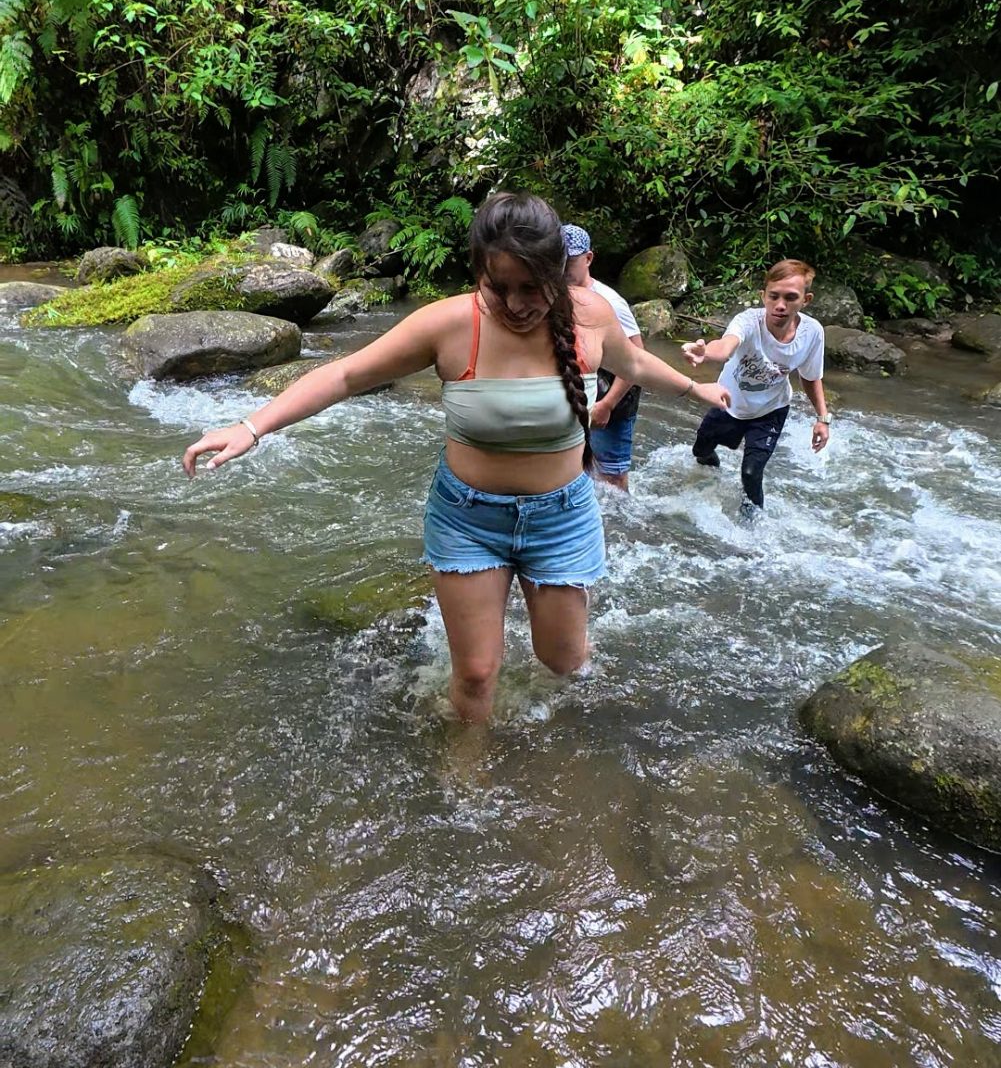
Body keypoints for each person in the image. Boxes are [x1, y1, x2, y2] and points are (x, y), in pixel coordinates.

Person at [182, 193, 730, 723]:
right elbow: (345, 374)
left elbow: (632, 363)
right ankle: (466, 772)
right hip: (469, 519)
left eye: (532, 288)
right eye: (500, 288)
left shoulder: (590, 315)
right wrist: (252, 427)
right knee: (475, 673)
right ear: (478, 275)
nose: (516, 305)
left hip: (562, 516)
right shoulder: (448, 324)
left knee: (564, 661)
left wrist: (692, 389)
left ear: (558, 272)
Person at [681, 258, 831, 516]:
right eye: (774, 296)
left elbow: (810, 376)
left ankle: (752, 527)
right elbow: (726, 345)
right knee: (701, 451)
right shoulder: (749, 321)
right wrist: (705, 353)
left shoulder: (812, 332)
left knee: (751, 472)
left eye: (790, 298)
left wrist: (822, 418)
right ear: (763, 296)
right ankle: (711, 474)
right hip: (729, 402)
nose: (780, 305)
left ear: (805, 300)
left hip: (771, 410)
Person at [561, 223, 644, 491]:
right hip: (581, 394)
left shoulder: (610, 302)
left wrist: (607, 404)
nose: (562, 269)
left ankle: (622, 530)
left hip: (615, 400)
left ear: (588, 258)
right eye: (557, 261)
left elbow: (637, 357)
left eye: (569, 261)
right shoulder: (557, 295)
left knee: (612, 477)